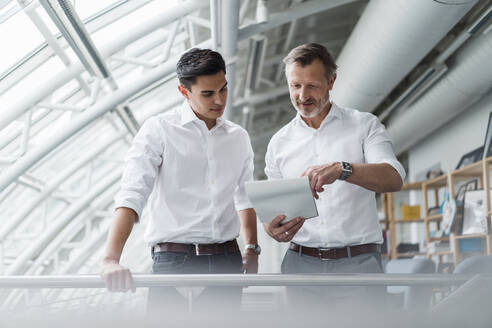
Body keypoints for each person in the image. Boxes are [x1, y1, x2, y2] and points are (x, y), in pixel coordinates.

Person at [100, 48, 260, 313]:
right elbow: (131, 195)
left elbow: (244, 197)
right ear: (184, 92)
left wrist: (252, 249)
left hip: (227, 260)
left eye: (223, 89)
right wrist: (110, 259)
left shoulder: (238, 137)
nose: (219, 100)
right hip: (173, 259)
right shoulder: (159, 130)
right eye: (208, 93)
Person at [263, 43, 406, 309]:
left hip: (359, 267)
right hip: (300, 265)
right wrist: (272, 228)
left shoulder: (364, 125)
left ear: (331, 81)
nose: (302, 95)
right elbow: (276, 212)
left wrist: (343, 169)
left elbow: (393, 177)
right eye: (295, 86)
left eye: (312, 86)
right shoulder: (278, 143)